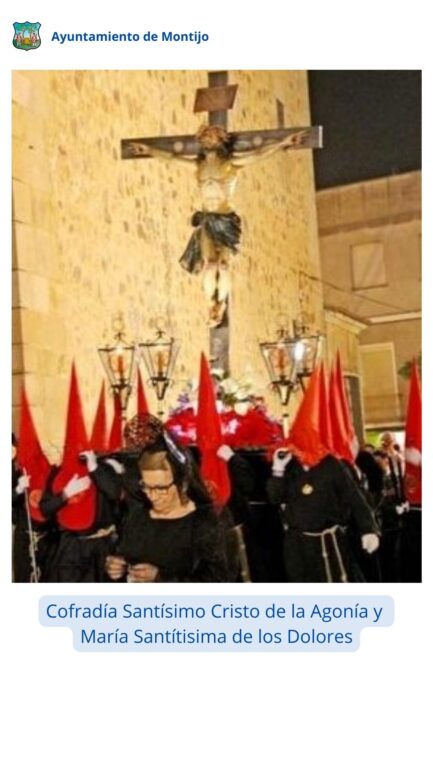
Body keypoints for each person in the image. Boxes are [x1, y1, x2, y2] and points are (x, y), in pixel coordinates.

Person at [128, 124, 308, 325]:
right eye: (205, 135)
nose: (208, 138)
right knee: (209, 265)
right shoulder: (198, 166)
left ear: (222, 140)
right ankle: (210, 305)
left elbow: (258, 154)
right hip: (208, 218)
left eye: (213, 135)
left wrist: (283, 143)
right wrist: (149, 150)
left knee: (222, 265)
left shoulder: (231, 164)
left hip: (226, 220)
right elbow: (171, 158)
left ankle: (221, 303)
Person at [106, 435, 229, 583]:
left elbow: (218, 582)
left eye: (161, 488)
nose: (153, 496)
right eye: (146, 486)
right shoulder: (138, 515)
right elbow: (124, 556)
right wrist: (115, 567)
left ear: (183, 484)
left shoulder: (206, 521)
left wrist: (161, 578)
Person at [267, 450, 380, 583]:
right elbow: (275, 497)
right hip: (298, 545)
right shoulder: (288, 466)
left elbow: (354, 497)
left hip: (329, 541)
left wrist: (368, 530)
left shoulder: (331, 464)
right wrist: (278, 469)